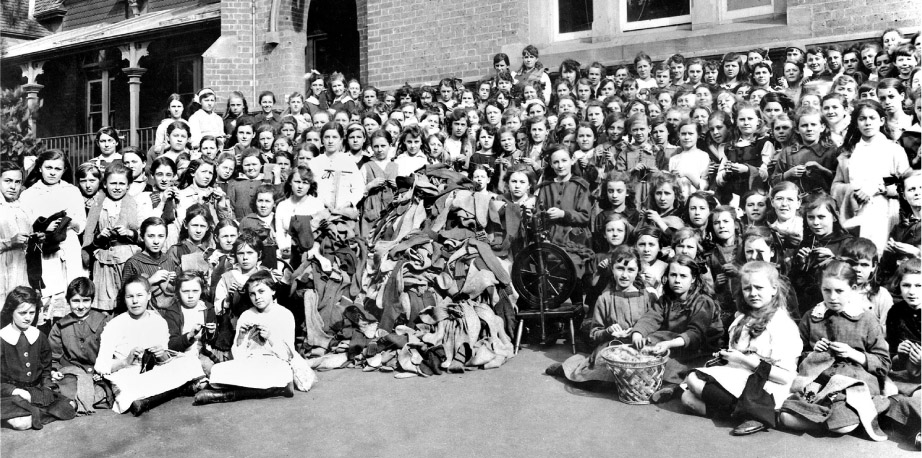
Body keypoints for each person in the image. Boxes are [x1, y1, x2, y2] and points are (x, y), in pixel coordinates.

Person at [682, 261, 802, 436]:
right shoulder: (742, 319)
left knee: (693, 382)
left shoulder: (782, 324)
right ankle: (747, 414)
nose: (753, 293)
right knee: (688, 398)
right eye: (747, 288)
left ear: (774, 289)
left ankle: (757, 412)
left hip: (765, 386)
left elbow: (785, 377)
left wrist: (743, 360)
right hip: (741, 378)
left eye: (759, 287)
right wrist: (727, 358)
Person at [779, 261, 891, 440]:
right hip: (820, 379)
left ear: (853, 288)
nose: (832, 297)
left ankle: (828, 423)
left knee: (845, 419)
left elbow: (884, 363)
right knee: (792, 408)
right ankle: (833, 422)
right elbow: (798, 354)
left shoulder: (866, 320)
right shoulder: (812, 317)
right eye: (826, 290)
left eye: (839, 291)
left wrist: (854, 354)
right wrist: (813, 352)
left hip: (855, 381)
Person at [94, 276, 205, 415]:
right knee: (127, 385)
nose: (135, 301)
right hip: (130, 373)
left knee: (191, 362)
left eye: (140, 295)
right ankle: (175, 391)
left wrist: (162, 354)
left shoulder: (159, 321)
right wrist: (125, 361)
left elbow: (164, 360)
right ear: (124, 298)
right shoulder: (114, 325)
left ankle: (147, 399)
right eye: (130, 296)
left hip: (155, 371)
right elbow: (101, 366)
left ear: (148, 296)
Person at [548, 246, 656, 383]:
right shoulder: (605, 298)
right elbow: (594, 333)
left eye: (631, 270)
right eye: (620, 268)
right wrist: (608, 331)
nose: (624, 275)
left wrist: (643, 335)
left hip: (638, 347)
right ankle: (566, 369)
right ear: (612, 268)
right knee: (601, 376)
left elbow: (654, 324)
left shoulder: (646, 297)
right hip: (612, 348)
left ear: (638, 272)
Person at [630, 255, 724, 402]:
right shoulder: (666, 299)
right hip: (676, 343)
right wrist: (637, 333)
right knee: (649, 344)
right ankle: (664, 384)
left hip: (701, 348)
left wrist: (668, 344)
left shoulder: (703, 301)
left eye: (683, 276)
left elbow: (695, 333)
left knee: (680, 367)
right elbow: (651, 318)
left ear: (693, 279)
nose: (677, 280)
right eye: (673, 275)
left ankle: (673, 387)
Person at [193, 271, 296, 405]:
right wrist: (241, 337)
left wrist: (271, 338)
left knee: (281, 372)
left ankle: (225, 394)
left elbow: (288, 356)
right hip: (250, 363)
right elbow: (238, 357)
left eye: (261, 291)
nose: (257, 297)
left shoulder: (285, 315)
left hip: (274, 363)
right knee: (218, 371)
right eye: (252, 294)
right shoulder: (247, 315)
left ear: (273, 291)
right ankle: (273, 390)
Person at [832, 99, 910, 255]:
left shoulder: (894, 149)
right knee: (858, 255)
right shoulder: (849, 153)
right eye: (862, 119)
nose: (867, 123)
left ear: (881, 121)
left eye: (872, 118)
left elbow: (905, 183)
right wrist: (853, 190)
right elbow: (836, 186)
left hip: (886, 210)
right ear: (857, 123)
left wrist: (878, 188)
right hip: (855, 210)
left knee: (882, 255)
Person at [20, 150, 88, 326]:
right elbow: (24, 224)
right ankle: (49, 334)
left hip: (69, 245)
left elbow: (81, 223)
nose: (52, 172)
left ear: (64, 170)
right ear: (40, 168)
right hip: (45, 248)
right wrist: (43, 226)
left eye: (57, 168)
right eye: (48, 167)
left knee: (72, 288)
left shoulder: (72, 191)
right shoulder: (29, 194)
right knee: (50, 292)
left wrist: (68, 222)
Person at [1, 286, 76, 430]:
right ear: (11, 312)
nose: (28, 317)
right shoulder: (2, 338)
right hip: (8, 394)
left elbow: (46, 368)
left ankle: (34, 413)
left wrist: (47, 387)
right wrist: (14, 391)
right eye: (22, 313)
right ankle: (31, 414)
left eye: (31, 312)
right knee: (21, 423)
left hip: (35, 390)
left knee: (70, 406)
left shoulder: (39, 336)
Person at [82, 161, 141, 311]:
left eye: (122, 184)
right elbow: (89, 233)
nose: (117, 187)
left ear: (128, 186)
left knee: (127, 299)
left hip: (126, 257)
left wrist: (129, 233)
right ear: (105, 184)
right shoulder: (99, 204)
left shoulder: (132, 203)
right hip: (104, 259)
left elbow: (141, 234)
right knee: (104, 302)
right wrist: (100, 236)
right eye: (113, 183)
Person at [48, 277, 110, 414]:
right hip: (72, 373)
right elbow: (53, 357)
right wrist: (55, 370)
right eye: (75, 301)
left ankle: (77, 402)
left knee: (108, 389)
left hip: (98, 374)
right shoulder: (60, 326)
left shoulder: (104, 322)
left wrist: (103, 370)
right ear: (68, 301)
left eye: (86, 301)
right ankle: (78, 400)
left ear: (92, 301)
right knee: (60, 387)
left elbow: (111, 352)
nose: (81, 306)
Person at [882, 258, 922, 446]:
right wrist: (898, 353)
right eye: (906, 285)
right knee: (888, 395)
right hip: (904, 377)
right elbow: (889, 355)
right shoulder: (895, 312)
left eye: (919, 285)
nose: (912, 291)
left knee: (915, 397)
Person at [0, 161, 30, 302]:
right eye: (8, 181)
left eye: (17, 182)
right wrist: (10, 242)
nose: (13, 186)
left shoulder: (21, 207)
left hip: (20, 267)